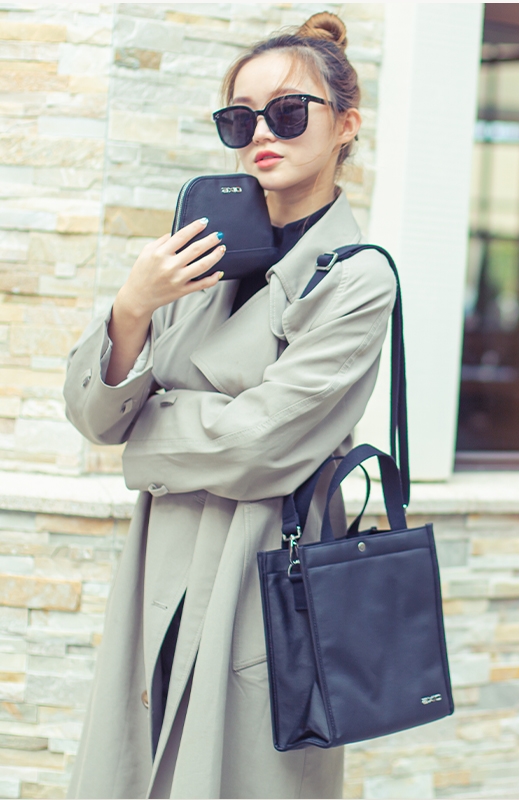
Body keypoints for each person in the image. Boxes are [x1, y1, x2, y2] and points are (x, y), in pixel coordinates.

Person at [62, 12, 397, 799]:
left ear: (346, 125)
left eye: (288, 112)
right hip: (159, 569)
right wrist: (133, 306)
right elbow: (95, 418)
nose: (261, 134)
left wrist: (152, 431)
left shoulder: (357, 277)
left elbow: (257, 448)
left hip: (264, 576)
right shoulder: (197, 260)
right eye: (239, 119)